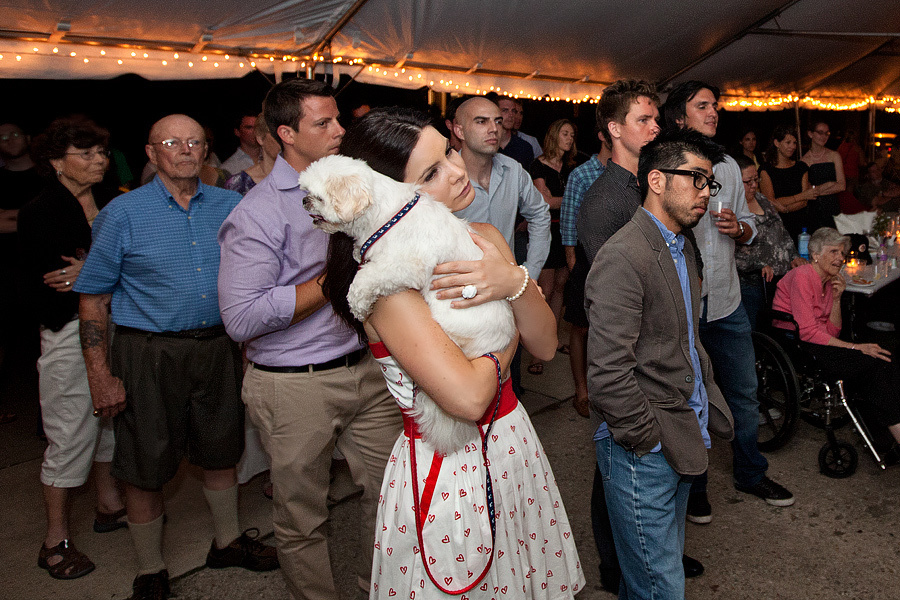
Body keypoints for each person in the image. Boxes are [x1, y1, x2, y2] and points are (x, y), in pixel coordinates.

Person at [323, 105, 584, 599]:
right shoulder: (388, 284)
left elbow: (547, 345)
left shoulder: (483, 236)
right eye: (431, 173)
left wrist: (512, 283)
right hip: (449, 466)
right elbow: (467, 398)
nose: (458, 170)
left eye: (448, 152)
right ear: (389, 195)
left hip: (512, 442)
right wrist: (506, 333)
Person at [75, 114, 277, 600]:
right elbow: (93, 299)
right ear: (151, 153)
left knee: (221, 449)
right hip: (147, 353)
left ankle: (227, 542)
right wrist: (100, 375)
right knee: (144, 463)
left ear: (206, 150)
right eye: (171, 142)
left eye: (194, 142)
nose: (185, 150)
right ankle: (151, 569)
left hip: (218, 347)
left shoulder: (232, 205)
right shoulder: (122, 214)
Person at [217, 79, 400, 600]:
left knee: (393, 495)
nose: (340, 130)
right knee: (302, 516)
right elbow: (241, 318)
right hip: (294, 384)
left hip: (366, 368)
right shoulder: (258, 213)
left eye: (338, 119)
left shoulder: (357, 185)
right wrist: (332, 278)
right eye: (324, 123)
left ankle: (378, 588)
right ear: (287, 134)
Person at [585, 127, 734, 599]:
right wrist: (644, 438)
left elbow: (685, 339)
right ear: (656, 180)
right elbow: (607, 372)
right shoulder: (623, 256)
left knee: (651, 576)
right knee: (659, 585)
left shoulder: (680, 245)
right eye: (696, 179)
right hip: (645, 446)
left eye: (710, 182)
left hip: (683, 430)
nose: (706, 192)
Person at [578, 79, 704, 591]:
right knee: (618, 485)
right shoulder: (607, 201)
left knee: (651, 550)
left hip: (667, 396)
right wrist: (644, 434)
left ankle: (637, 564)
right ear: (614, 129)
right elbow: (616, 314)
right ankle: (619, 566)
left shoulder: (655, 199)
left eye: (656, 118)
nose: (656, 127)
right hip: (638, 407)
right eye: (644, 120)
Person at [664, 81, 794, 526]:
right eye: (702, 105)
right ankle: (694, 489)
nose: (713, 111)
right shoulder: (665, 167)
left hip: (727, 301)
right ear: (679, 117)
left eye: (715, 105)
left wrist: (740, 230)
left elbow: (750, 229)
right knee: (691, 399)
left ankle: (750, 473)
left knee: (744, 392)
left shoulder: (729, 168)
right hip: (684, 307)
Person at [18, 117, 125, 581]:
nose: (99, 160)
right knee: (70, 431)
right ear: (57, 162)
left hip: (117, 323)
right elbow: (55, 281)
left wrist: (95, 270)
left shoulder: (114, 202)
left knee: (110, 421)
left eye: (101, 152)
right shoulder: (41, 210)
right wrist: (104, 271)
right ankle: (54, 541)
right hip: (67, 330)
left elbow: (106, 270)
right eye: (86, 153)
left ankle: (108, 505)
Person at [452, 96, 551, 396]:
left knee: (509, 384)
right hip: (459, 302)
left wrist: (528, 274)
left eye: (497, 121)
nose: (494, 128)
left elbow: (540, 214)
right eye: (481, 121)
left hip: (507, 298)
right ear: (458, 130)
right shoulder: (445, 176)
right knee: (466, 389)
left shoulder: (513, 170)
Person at [772, 227, 900, 454]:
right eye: (833, 252)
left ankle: (884, 433)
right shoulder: (802, 276)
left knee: (885, 359)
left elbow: (833, 330)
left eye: (841, 253)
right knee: (873, 363)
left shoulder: (830, 280)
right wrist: (856, 347)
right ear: (815, 255)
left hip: (819, 341)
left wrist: (837, 298)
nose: (840, 258)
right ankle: (891, 432)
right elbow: (807, 332)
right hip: (796, 342)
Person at [560, 121, 610, 419]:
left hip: (618, 260)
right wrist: (575, 267)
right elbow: (568, 225)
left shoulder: (633, 173)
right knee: (581, 326)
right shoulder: (582, 174)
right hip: (586, 258)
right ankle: (581, 391)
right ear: (603, 135)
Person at [526, 119, 579, 376]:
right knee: (544, 291)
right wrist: (572, 199)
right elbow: (544, 202)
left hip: (567, 231)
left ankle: (553, 340)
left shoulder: (572, 167)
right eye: (565, 133)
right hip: (545, 231)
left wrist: (559, 200)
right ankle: (537, 352)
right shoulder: (538, 165)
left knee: (560, 288)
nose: (569, 138)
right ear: (554, 135)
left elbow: (554, 200)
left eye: (572, 134)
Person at [0, 121, 43, 424]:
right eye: (1, 136)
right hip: (4, 270)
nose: (8, 140)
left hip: (41, 269)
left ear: (27, 137)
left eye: (14, 133)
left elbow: (51, 219)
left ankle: (48, 416)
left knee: (44, 343)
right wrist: (30, 217)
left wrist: (13, 217)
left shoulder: (46, 177)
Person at [733, 154, 806, 329]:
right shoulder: (731, 209)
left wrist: (794, 256)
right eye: (748, 182)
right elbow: (730, 252)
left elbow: (782, 232)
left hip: (780, 280)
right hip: (752, 285)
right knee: (755, 330)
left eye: (756, 180)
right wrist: (757, 265)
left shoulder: (763, 200)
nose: (754, 185)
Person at [758, 124, 819, 242]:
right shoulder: (766, 170)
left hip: (801, 223)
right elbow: (770, 201)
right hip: (776, 224)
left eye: (794, 143)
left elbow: (804, 202)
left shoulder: (801, 167)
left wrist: (784, 208)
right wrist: (802, 195)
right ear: (777, 143)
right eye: (788, 142)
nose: (792, 146)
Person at [801, 121, 844, 230]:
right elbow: (806, 191)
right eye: (820, 132)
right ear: (810, 134)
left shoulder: (834, 155)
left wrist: (816, 191)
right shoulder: (803, 161)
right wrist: (829, 184)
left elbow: (841, 186)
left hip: (832, 207)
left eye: (826, 133)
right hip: (813, 209)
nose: (824, 136)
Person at [224, 113, 280, 196]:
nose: (283, 140)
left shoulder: (297, 177)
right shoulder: (239, 184)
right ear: (260, 138)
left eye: (288, 133)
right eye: (275, 134)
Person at [496, 96, 535, 169]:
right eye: (505, 110)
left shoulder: (524, 148)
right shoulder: (487, 144)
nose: (511, 115)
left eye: (513, 111)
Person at [837, 129, 867, 214]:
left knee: (842, 196)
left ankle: (842, 211)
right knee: (850, 195)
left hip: (842, 174)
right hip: (852, 174)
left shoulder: (841, 146)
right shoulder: (857, 148)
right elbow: (862, 163)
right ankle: (849, 212)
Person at [222, 112, 261, 176]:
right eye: (249, 127)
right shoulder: (228, 167)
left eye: (257, 127)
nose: (255, 131)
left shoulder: (272, 158)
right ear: (237, 132)